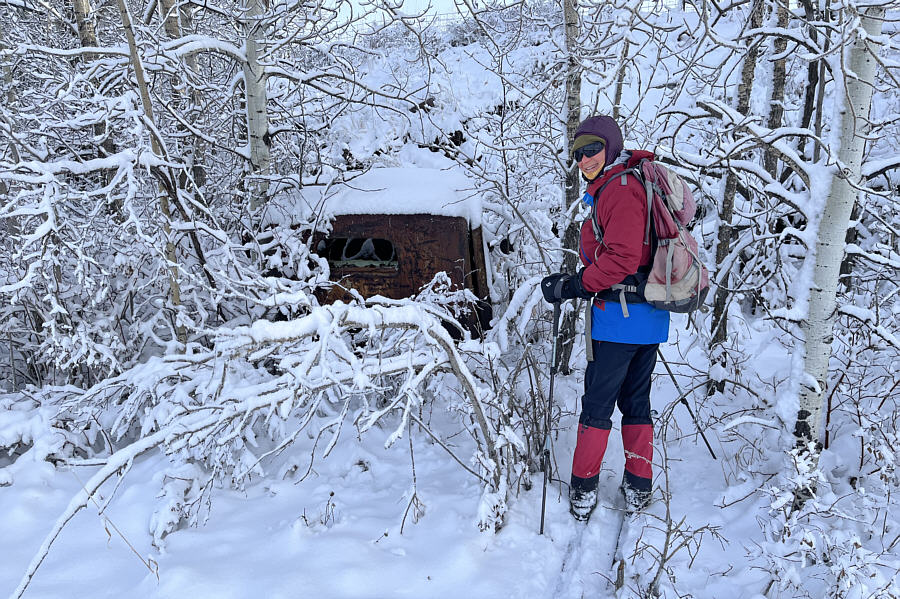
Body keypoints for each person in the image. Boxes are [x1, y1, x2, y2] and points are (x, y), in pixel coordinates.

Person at [540, 115, 669, 520]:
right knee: (636, 402)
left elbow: (623, 258)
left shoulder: (621, 188)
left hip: (618, 317)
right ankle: (638, 486)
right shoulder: (624, 183)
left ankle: (582, 489)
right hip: (645, 317)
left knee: (598, 404)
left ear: (610, 146)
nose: (584, 159)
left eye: (593, 149)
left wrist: (576, 285)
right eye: (578, 153)